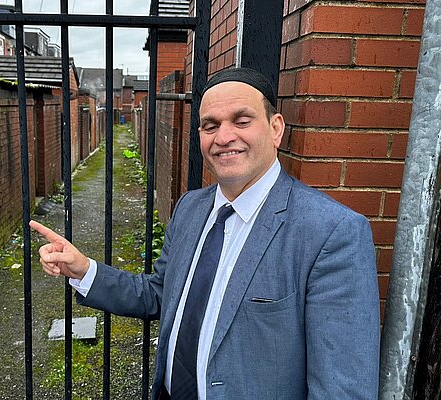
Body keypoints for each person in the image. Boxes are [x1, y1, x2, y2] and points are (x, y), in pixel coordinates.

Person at [30, 67, 380, 399]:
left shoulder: (331, 233)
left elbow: (342, 387)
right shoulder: (190, 208)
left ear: (275, 128)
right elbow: (159, 294)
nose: (224, 136)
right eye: (210, 125)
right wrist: (83, 269)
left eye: (241, 121)